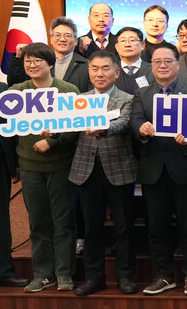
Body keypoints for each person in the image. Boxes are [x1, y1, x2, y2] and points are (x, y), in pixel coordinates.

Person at [4, 43, 80, 292]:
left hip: (61, 166)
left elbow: (76, 127)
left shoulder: (67, 91)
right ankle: (44, 275)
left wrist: (53, 140)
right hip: (29, 168)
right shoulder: (18, 91)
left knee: (63, 221)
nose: (32, 65)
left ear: (50, 63)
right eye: (28, 61)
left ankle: (65, 274)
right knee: (38, 223)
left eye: (38, 60)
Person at [129, 43, 187, 296]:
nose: (162, 65)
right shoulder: (142, 93)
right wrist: (141, 128)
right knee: (157, 227)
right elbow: (135, 118)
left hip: (185, 167)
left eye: (168, 61)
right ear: (151, 66)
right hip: (153, 169)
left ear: (177, 65)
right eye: (157, 61)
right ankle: (164, 275)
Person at [70, 51, 139, 296]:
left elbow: (124, 123)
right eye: (95, 69)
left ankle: (125, 277)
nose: (100, 74)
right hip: (86, 170)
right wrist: (53, 131)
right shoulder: (79, 100)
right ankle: (94, 277)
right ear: (89, 72)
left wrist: (104, 128)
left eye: (105, 68)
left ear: (116, 72)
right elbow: (68, 127)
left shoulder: (128, 98)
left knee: (124, 227)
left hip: (119, 169)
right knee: (91, 228)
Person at [0, 75, 29, 290]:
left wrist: (15, 164)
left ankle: (3, 273)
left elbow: (12, 127)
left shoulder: (2, 88)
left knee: (0, 222)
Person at [8, 17, 92, 92]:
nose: (62, 39)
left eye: (67, 35)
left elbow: (91, 95)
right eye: (57, 35)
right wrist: (18, 59)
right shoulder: (38, 63)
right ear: (51, 39)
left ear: (76, 41)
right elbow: (16, 86)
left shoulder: (87, 65)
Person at [113, 27, 153, 95]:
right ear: (116, 47)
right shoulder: (110, 72)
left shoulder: (154, 71)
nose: (127, 45)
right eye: (123, 41)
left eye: (132, 40)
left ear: (142, 45)